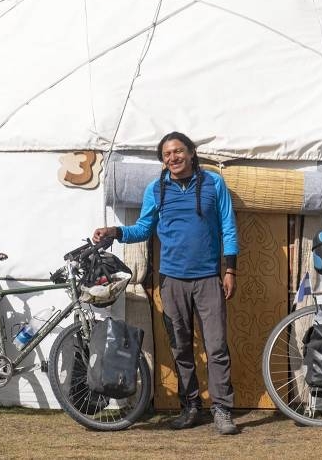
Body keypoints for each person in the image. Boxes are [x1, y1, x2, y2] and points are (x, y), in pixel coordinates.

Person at [92, 131, 240, 435]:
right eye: (167, 154)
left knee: (216, 347)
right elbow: (144, 228)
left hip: (209, 278)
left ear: (191, 152)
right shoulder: (156, 189)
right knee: (181, 347)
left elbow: (228, 226)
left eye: (178, 151)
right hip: (171, 279)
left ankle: (223, 410)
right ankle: (190, 407)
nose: (173, 158)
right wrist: (116, 232)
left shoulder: (214, 183)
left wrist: (230, 270)